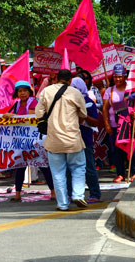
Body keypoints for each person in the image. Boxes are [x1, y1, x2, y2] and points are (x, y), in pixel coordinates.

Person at [35, 69, 88, 211]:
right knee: (78, 168)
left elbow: (38, 113)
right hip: (73, 139)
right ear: (70, 80)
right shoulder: (75, 93)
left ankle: (62, 204)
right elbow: (83, 114)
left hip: (54, 140)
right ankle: (77, 195)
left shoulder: (46, 91)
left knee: (58, 173)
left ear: (57, 78)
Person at [3, 80, 56, 202]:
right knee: (20, 166)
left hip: (35, 141)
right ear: (17, 93)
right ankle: (17, 194)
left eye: (25, 91)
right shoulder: (16, 105)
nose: (22, 93)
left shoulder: (34, 102)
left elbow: (33, 114)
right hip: (21, 142)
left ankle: (53, 193)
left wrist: (14, 117)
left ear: (29, 92)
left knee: (43, 166)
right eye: (20, 91)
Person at [102, 64, 135, 183]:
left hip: (129, 124)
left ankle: (134, 172)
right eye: (115, 77)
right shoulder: (110, 90)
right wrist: (107, 124)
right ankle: (120, 174)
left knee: (132, 149)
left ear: (124, 77)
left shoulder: (131, 89)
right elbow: (105, 109)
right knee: (117, 151)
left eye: (120, 76)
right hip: (115, 125)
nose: (117, 79)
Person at [70, 77, 101, 203]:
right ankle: (72, 194)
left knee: (88, 167)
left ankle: (94, 193)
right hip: (70, 139)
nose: (74, 91)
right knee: (70, 168)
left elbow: (95, 122)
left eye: (76, 88)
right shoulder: (68, 101)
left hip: (85, 139)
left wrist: (83, 115)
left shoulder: (88, 102)